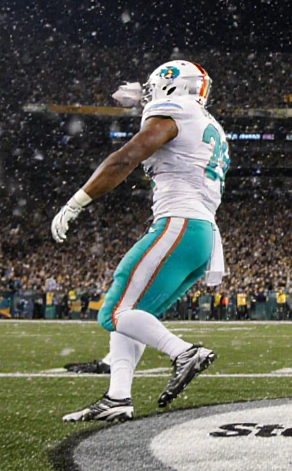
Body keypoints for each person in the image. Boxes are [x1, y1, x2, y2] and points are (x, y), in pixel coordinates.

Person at [52, 60, 226, 422]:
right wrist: (143, 100)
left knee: (114, 311)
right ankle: (118, 398)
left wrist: (76, 202)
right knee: (132, 314)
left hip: (179, 222)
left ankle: (183, 352)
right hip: (202, 234)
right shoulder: (206, 122)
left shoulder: (174, 112)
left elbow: (125, 158)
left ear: (169, 86)